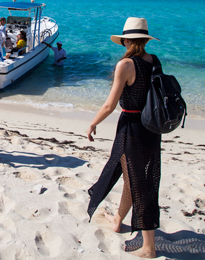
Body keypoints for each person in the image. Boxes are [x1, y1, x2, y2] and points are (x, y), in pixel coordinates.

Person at [86, 17, 161, 259]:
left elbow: (110, 104)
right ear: (145, 40)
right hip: (151, 128)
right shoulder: (154, 61)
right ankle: (118, 219)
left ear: (127, 40)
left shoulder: (126, 65)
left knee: (139, 183)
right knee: (134, 178)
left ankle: (149, 247)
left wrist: (93, 123)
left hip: (132, 128)